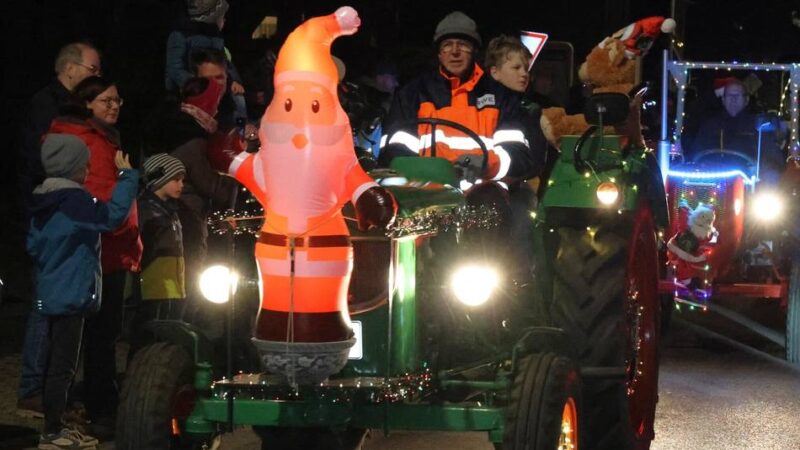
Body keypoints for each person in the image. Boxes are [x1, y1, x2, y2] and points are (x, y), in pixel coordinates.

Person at [29, 134, 137, 450]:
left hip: (50, 287)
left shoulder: (43, 201)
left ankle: (55, 425)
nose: (88, 169)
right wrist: (127, 177)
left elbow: (33, 245)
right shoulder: (75, 201)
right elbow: (112, 217)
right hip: (72, 292)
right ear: (74, 167)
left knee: (53, 361)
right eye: (85, 164)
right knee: (63, 365)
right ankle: (52, 432)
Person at [48, 76, 142, 437]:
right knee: (98, 334)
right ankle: (97, 407)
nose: (114, 106)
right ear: (87, 104)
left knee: (96, 333)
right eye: (106, 100)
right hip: (100, 251)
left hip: (106, 250)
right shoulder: (89, 142)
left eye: (118, 100)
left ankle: (91, 402)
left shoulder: (101, 138)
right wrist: (127, 178)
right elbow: (101, 199)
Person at [16, 42, 102, 419]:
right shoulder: (47, 107)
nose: (97, 76)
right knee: (45, 304)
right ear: (69, 69)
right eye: (93, 69)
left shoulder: (67, 107)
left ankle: (51, 389)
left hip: (59, 209)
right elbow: (38, 161)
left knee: (58, 304)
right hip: (51, 212)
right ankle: (34, 387)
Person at [378, 11, 541, 186]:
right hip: (425, 193)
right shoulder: (412, 94)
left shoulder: (501, 96)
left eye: (463, 45)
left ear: (474, 50)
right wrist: (426, 178)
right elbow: (393, 151)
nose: (455, 51)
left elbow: (518, 155)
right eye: (447, 45)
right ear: (439, 53)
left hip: (484, 194)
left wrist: (486, 164)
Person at [129, 154, 187, 355]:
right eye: (176, 179)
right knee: (148, 332)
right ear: (159, 180)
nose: (181, 185)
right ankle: (140, 366)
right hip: (153, 284)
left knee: (166, 331)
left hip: (170, 283)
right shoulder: (146, 210)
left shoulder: (169, 210)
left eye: (182, 180)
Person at [165, 0, 247, 129]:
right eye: (220, 16)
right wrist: (197, 85)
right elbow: (175, 68)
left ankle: (238, 132)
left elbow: (223, 62)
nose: (222, 20)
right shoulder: (180, 36)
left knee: (237, 100)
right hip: (191, 87)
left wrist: (233, 81)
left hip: (214, 85)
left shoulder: (215, 36)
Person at [688, 78, 783, 184]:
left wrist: (764, 169)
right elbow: (696, 154)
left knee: (772, 176)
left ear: (746, 100)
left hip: (748, 182)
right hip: (714, 180)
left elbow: (773, 157)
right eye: (730, 95)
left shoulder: (758, 126)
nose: (733, 99)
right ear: (723, 100)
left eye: (738, 95)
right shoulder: (710, 126)